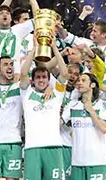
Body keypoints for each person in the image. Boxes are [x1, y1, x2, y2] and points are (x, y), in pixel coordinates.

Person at [20, 35, 67, 180]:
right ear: (33, 81)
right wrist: (34, 49)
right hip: (32, 148)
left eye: (44, 77)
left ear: (48, 79)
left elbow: (64, 74)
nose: (41, 80)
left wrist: (54, 48)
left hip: (54, 146)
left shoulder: (57, 94)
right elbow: (23, 73)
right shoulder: (26, 94)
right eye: (38, 77)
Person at [62, 73, 106, 180]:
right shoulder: (72, 105)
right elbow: (58, 123)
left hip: (97, 162)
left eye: (83, 80)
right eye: (78, 80)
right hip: (77, 162)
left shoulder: (102, 105)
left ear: (92, 85)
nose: (79, 82)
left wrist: (91, 111)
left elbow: (104, 128)